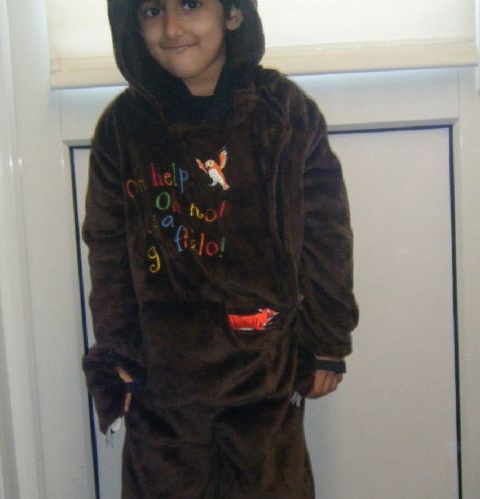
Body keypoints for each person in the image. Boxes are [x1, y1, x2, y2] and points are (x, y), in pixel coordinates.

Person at [82, 0, 359, 497]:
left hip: (264, 371)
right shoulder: (123, 127)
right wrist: (117, 350)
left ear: (233, 14)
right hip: (164, 381)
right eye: (152, 11)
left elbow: (326, 231)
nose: (172, 28)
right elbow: (107, 248)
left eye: (190, 5)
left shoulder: (283, 112)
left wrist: (327, 340)